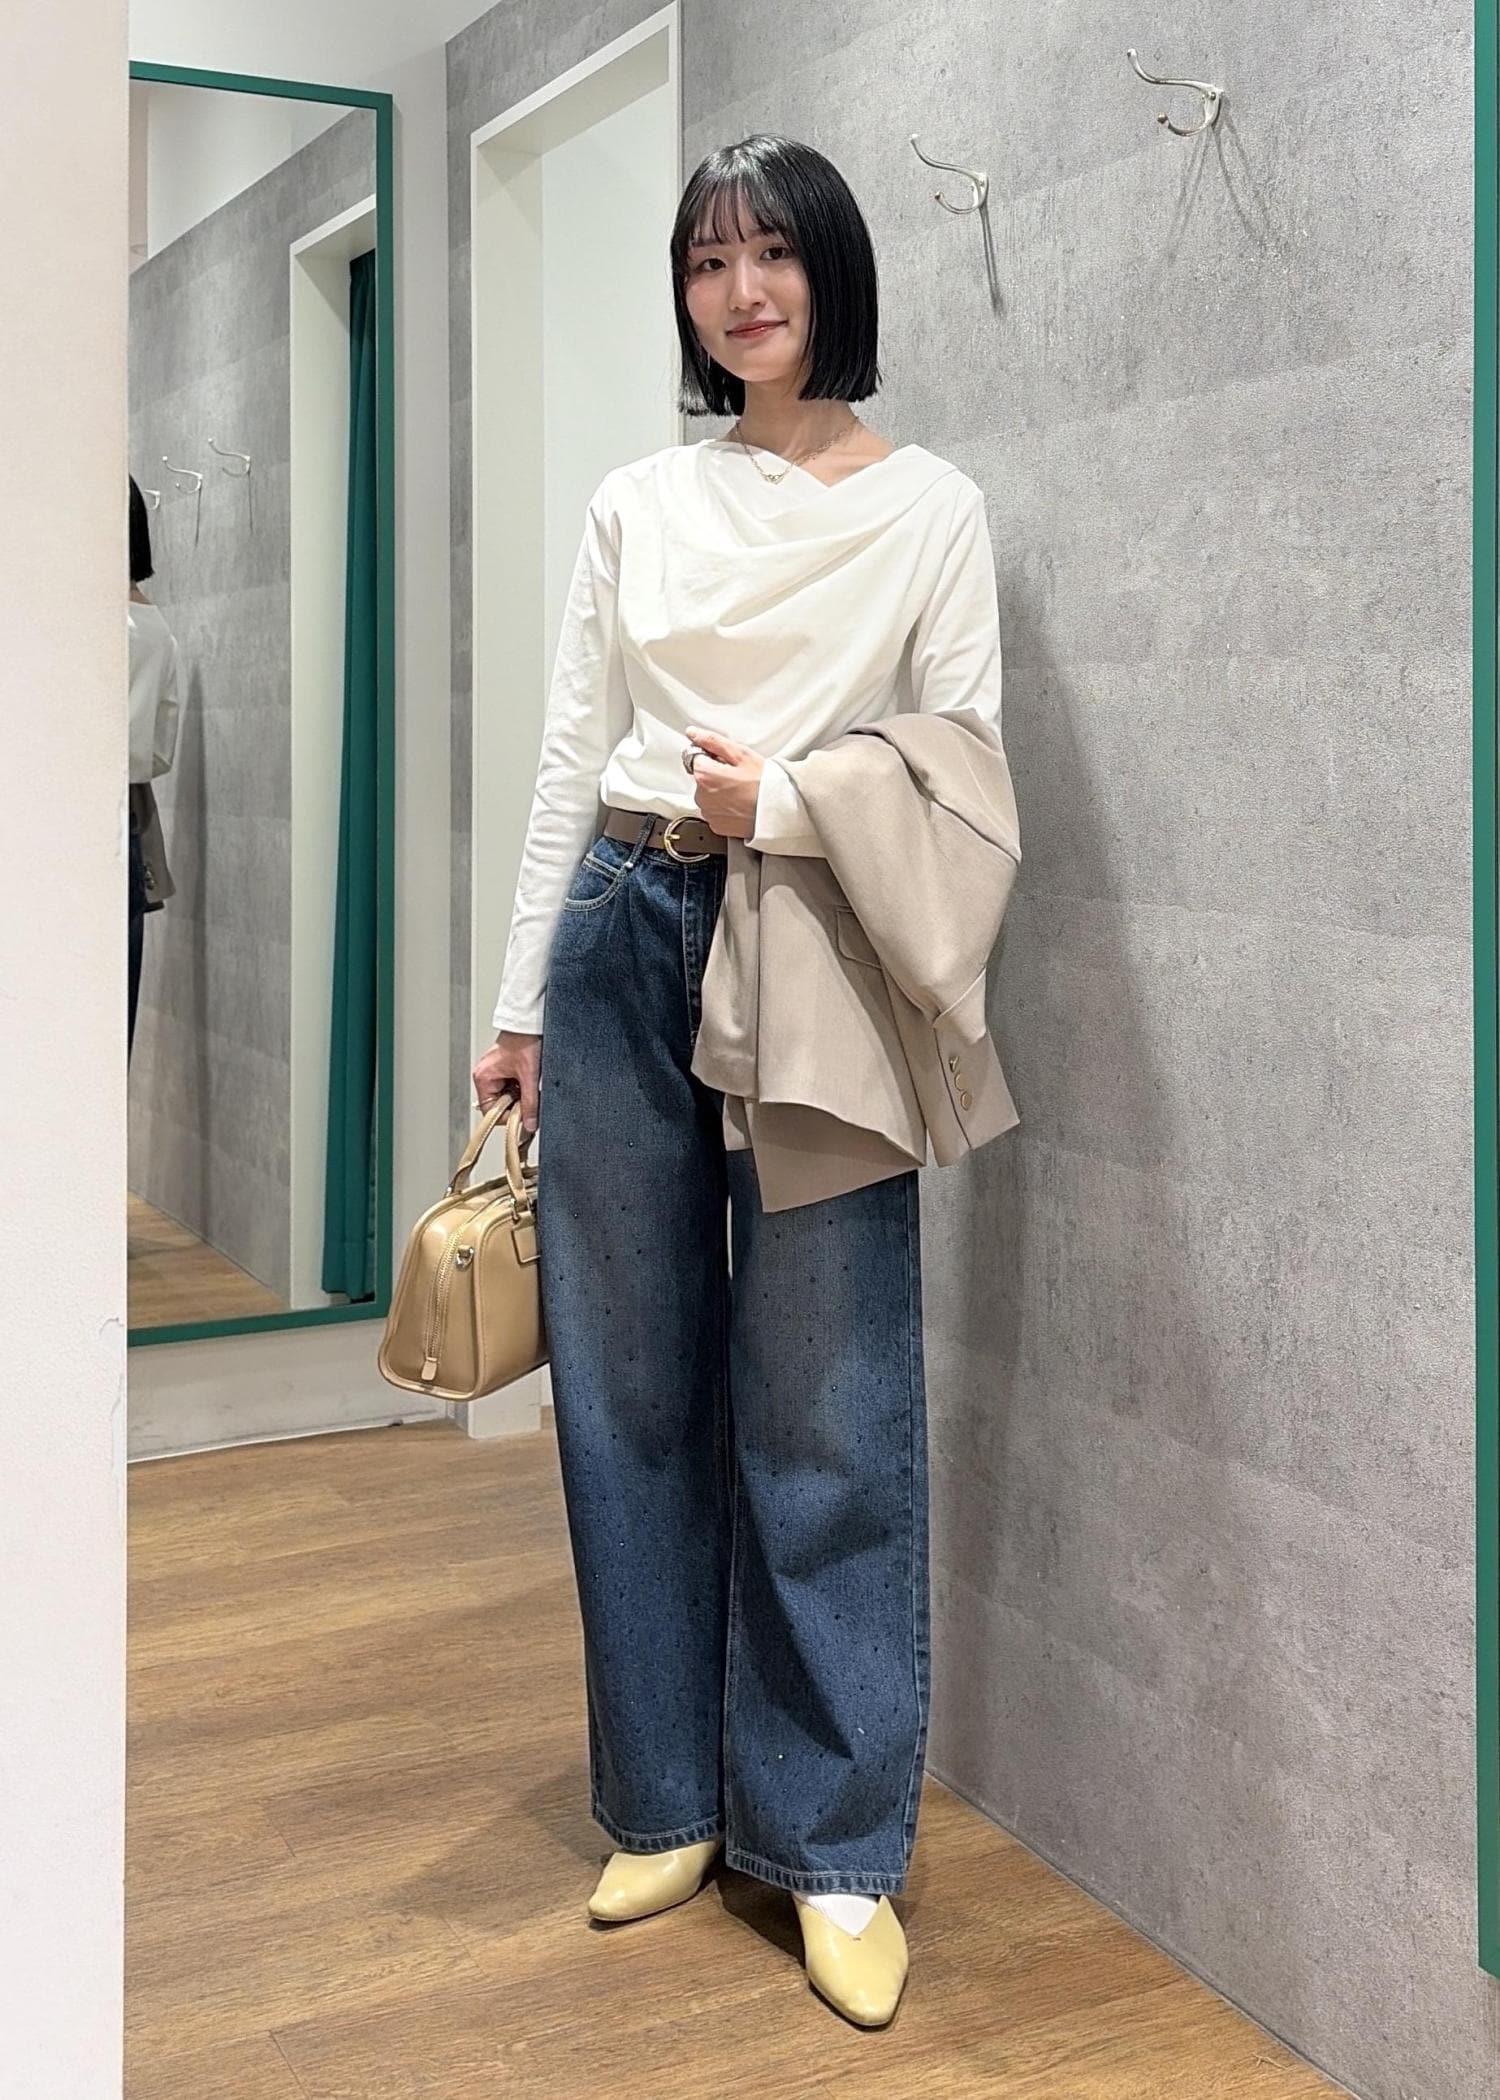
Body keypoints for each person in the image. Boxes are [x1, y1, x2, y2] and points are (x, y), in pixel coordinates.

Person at [472, 134, 1008, 2028]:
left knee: (827, 1390)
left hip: (819, 939)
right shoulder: (641, 499)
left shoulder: (932, 505)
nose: (741, 290)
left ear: (831, 271)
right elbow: (572, 756)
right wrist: (520, 1007)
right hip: (626, 924)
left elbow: (963, 756)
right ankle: (666, 1798)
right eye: (708, 262)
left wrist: (780, 798)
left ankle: (836, 1844)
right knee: (625, 1382)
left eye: (772, 252)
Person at [127, 475, 179, 1061]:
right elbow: (159, 753)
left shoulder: (73, 622)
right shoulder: (157, 630)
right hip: (129, 819)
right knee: (113, 1017)